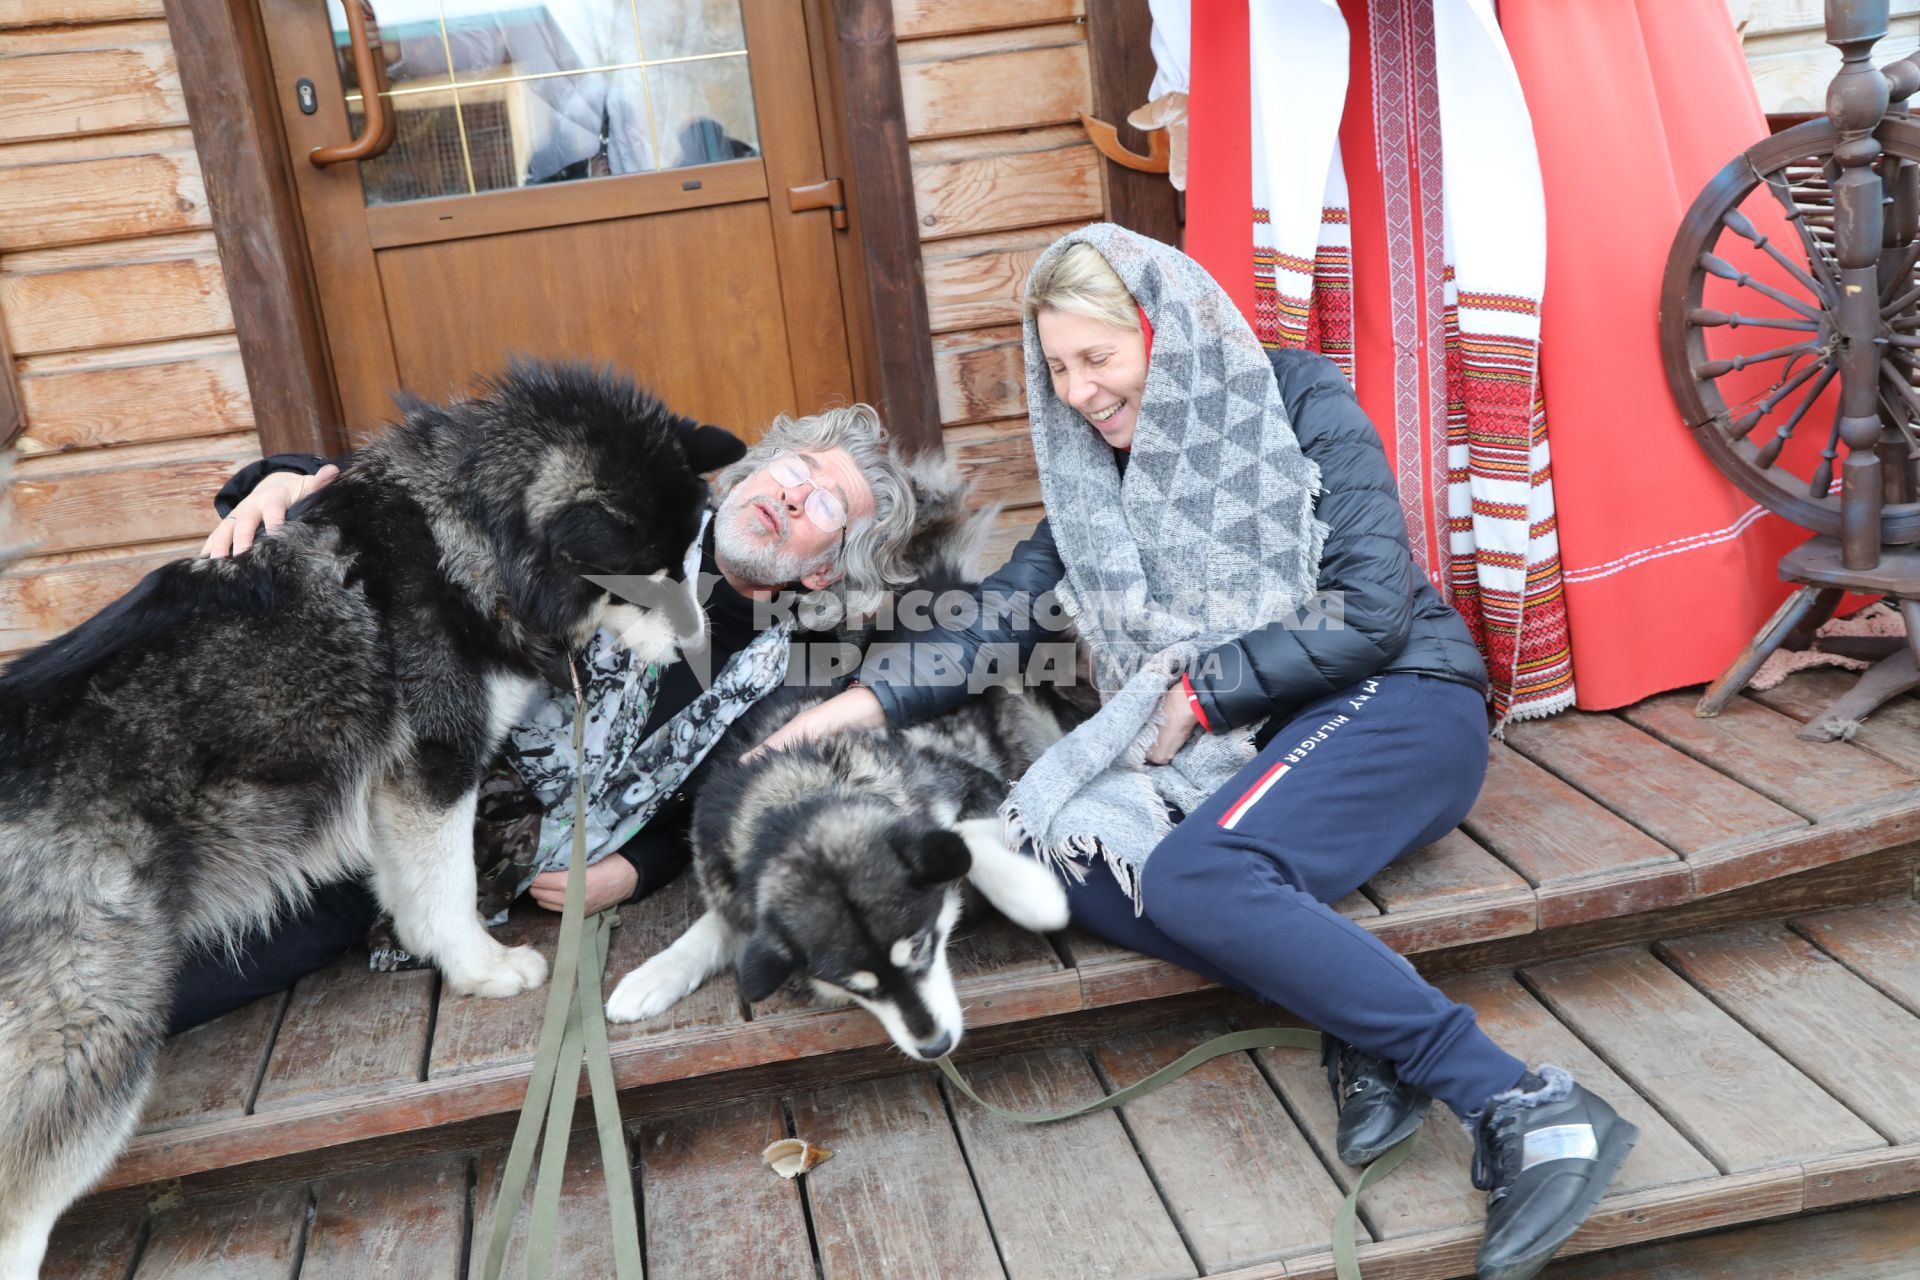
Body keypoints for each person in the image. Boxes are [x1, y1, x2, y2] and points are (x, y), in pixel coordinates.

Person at [756, 225, 1636, 1280]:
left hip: (1398, 696)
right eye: (1059, 368)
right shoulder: (1093, 491)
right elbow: (989, 623)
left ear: (1163, 332)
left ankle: (1524, 1103)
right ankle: (1361, 1021)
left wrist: (1202, 686)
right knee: (1057, 863)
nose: (1080, 392)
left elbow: (1369, 604)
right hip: (1252, 746)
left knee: (1195, 872)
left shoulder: (1298, 396)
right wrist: (852, 704)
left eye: (1100, 357)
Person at [176, 404, 918, 1032]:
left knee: (182, 986)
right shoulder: (631, 507)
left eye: (826, 505)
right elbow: (446, 495)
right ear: (752, 471)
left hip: (455, 874)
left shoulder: (794, 677)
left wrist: (635, 868)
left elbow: (719, 795)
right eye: (795, 470)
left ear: (825, 569)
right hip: (349, 767)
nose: (794, 496)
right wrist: (284, 479)